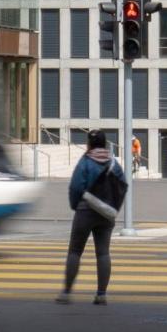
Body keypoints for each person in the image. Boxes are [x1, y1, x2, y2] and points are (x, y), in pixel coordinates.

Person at [58, 130, 125, 305]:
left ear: (89, 144)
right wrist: (113, 207)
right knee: (103, 253)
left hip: (85, 210)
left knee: (75, 251)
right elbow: (122, 185)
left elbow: (75, 187)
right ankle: (101, 294)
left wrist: (76, 206)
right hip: (106, 214)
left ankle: (66, 292)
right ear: (105, 143)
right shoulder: (113, 163)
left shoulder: (86, 161)